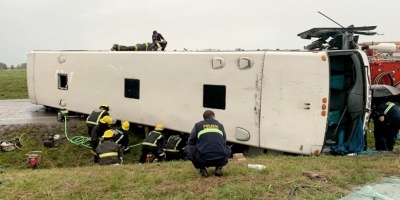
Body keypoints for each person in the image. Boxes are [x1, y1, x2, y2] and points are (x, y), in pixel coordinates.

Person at [186, 110, 231, 177]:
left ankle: (202, 170)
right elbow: (224, 141)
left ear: (204, 117)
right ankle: (218, 168)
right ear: (213, 116)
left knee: (188, 148)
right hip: (220, 159)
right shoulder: (220, 125)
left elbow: (191, 141)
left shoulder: (198, 125)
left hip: (203, 159)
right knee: (227, 148)